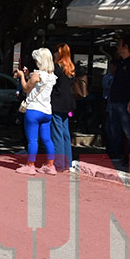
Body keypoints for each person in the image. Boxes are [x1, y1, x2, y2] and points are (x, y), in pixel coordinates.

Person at [14, 48, 57, 175]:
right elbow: (37, 87)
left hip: (34, 110)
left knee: (32, 140)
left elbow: (26, 88)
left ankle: (30, 165)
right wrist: (28, 75)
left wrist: (22, 76)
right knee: (47, 139)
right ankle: (50, 165)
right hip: (47, 111)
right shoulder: (51, 76)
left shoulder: (37, 75)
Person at [106, 34, 130, 166]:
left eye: (119, 44)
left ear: (126, 46)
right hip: (114, 100)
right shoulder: (121, 62)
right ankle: (116, 155)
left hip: (124, 101)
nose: (117, 47)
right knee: (114, 129)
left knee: (129, 131)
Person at [51, 43, 77, 172]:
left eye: (56, 51)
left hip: (56, 102)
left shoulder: (57, 67)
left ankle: (59, 162)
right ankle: (68, 161)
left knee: (57, 133)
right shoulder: (71, 68)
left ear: (59, 53)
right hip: (68, 104)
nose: (54, 54)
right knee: (65, 133)